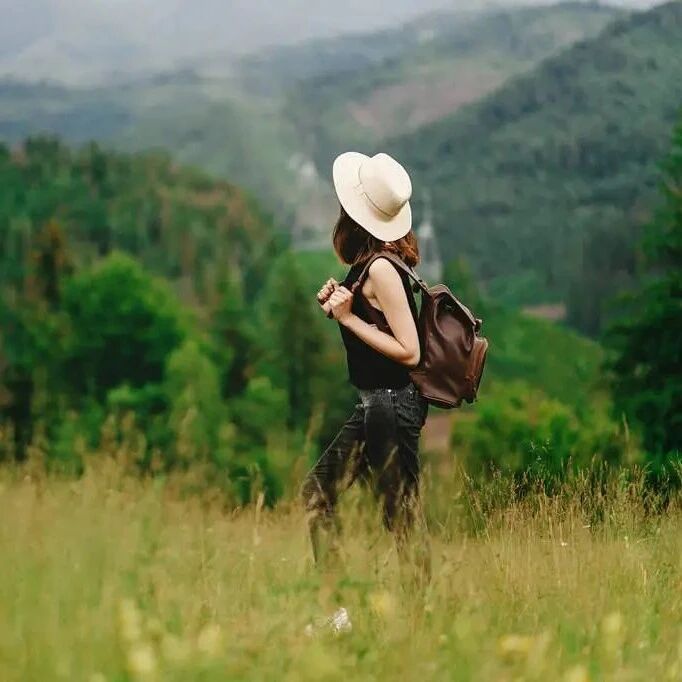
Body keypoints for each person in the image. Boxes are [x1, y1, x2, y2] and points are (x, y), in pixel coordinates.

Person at [301, 151, 431, 586]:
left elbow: (409, 351)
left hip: (391, 406)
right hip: (378, 405)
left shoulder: (381, 269)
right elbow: (375, 323)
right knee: (320, 493)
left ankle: (417, 612)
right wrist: (342, 303)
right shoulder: (372, 263)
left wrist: (349, 318)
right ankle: (340, 605)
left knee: (402, 518)